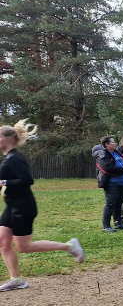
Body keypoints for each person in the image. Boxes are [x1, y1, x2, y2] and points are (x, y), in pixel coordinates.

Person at [0, 120, 84, 293]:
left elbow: (27, 180)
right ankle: (16, 279)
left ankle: (69, 246)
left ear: (9, 139)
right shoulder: (8, 158)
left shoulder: (14, 158)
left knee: (23, 247)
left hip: (23, 207)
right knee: (3, 241)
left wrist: (4, 182)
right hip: (11, 205)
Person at [93, 136, 123, 232]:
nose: (115, 144)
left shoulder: (116, 153)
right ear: (107, 144)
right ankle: (106, 226)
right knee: (110, 205)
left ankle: (118, 223)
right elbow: (108, 168)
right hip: (112, 184)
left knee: (118, 204)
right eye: (113, 142)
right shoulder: (103, 155)